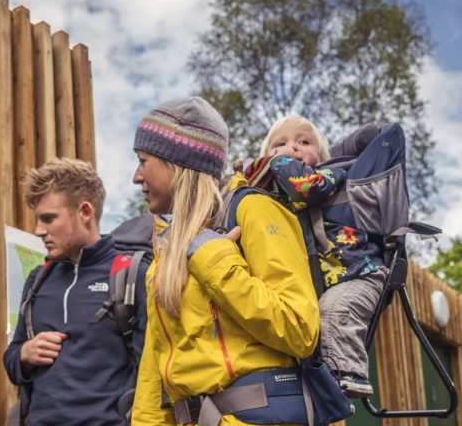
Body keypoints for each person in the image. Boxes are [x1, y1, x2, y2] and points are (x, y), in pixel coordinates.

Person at [129, 97, 322, 425]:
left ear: (177, 162)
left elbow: (301, 331)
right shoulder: (169, 250)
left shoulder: (254, 210)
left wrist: (212, 258)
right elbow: (154, 367)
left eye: (143, 160)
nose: (136, 176)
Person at [239, 114, 389, 398]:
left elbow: (305, 186)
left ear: (321, 154)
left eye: (303, 142)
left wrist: (277, 160)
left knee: (334, 310)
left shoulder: (333, 174)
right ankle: (320, 388)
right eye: (279, 144)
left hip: (360, 273)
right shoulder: (273, 204)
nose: (291, 148)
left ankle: (347, 375)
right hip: (323, 283)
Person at [4, 158, 153, 426]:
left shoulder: (131, 275)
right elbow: (12, 359)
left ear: (85, 212)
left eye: (49, 219)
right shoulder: (37, 280)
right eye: (38, 219)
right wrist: (25, 353)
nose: (39, 231)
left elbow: (152, 376)